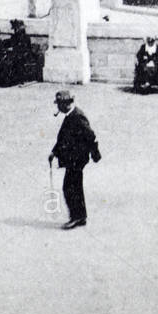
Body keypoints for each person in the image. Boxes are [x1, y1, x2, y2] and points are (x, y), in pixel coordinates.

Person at [48, 90, 100, 230]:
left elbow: (91, 136)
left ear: (65, 104)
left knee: (69, 187)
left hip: (77, 159)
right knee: (75, 187)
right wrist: (54, 152)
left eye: (59, 104)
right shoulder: (71, 115)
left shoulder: (77, 117)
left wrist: (95, 154)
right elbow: (63, 138)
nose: (57, 107)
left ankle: (76, 217)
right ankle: (80, 216)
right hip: (73, 158)